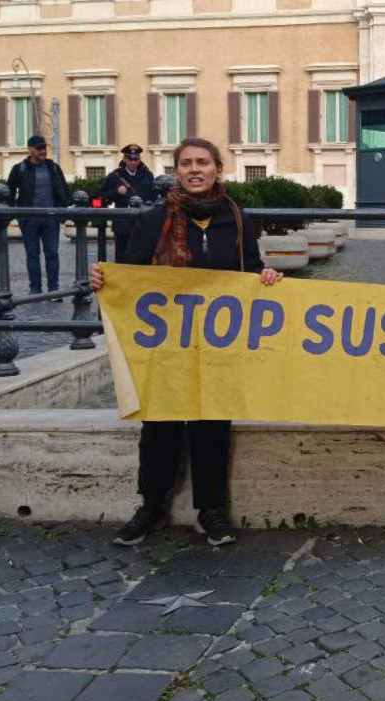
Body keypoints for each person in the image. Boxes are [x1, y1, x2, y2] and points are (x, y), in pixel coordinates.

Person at [90, 138, 284, 547]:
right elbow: (131, 275)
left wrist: (267, 277)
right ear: (176, 171)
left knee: (212, 422)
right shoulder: (154, 218)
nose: (194, 170)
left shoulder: (238, 219)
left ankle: (212, 510)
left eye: (203, 162)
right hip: (167, 342)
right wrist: (105, 281)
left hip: (216, 344)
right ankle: (151, 505)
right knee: (159, 423)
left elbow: (249, 271)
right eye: (186, 164)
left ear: (218, 168)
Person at [6, 134, 70, 300]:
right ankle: (35, 289)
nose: (43, 151)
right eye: (39, 148)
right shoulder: (19, 169)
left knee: (52, 254)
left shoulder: (53, 168)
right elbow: (9, 193)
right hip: (29, 220)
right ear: (30, 150)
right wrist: (17, 215)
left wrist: (63, 212)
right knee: (32, 255)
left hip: (51, 219)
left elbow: (64, 190)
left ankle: (53, 290)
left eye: (44, 148)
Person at [99, 144, 158, 261]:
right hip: (123, 224)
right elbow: (101, 196)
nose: (133, 162)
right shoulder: (116, 176)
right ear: (125, 159)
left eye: (135, 159)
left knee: (142, 257)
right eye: (130, 159)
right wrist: (116, 192)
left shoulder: (147, 175)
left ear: (139, 160)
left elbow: (154, 196)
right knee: (122, 257)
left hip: (142, 222)